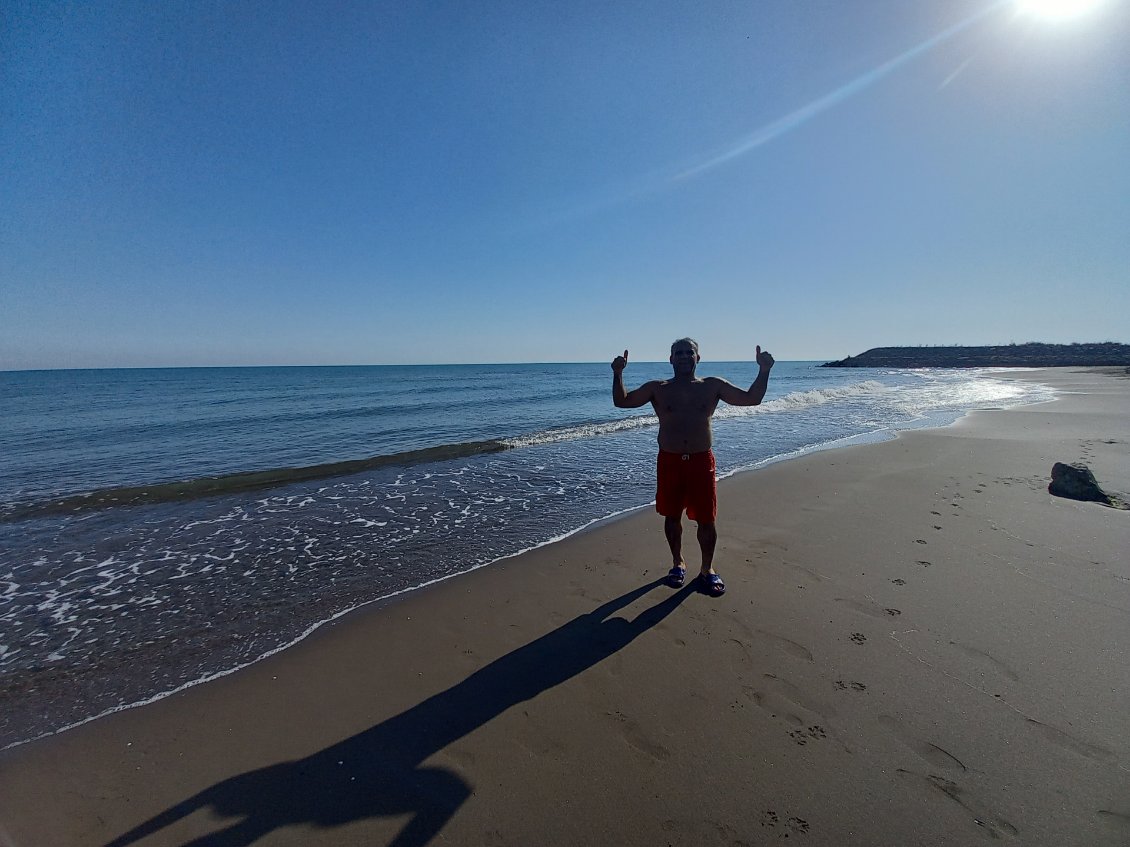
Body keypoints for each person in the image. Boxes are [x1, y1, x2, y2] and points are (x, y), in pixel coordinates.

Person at [611, 338, 774, 596]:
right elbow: (623, 402)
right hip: (670, 461)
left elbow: (751, 399)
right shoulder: (658, 388)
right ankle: (677, 563)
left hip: (701, 461)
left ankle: (707, 569)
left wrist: (764, 370)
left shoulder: (712, 386)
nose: (684, 356)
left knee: (707, 519)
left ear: (698, 358)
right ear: (671, 359)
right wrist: (618, 373)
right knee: (671, 515)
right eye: (679, 353)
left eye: (690, 352)